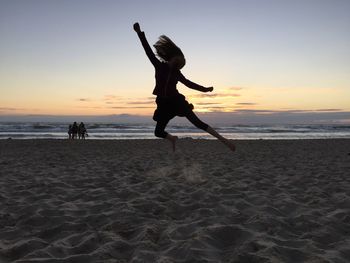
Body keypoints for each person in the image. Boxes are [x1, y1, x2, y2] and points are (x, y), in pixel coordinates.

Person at [133, 22, 235, 151]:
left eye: (179, 63)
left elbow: (188, 83)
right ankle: (172, 138)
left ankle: (224, 140)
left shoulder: (177, 73)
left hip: (176, 101)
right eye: (176, 61)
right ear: (172, 57)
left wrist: (205, 89)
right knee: (158, 132)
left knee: (198, 123)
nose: (177, 64)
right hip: (163, 104)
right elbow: (148, 51)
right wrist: (139, 33)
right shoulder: (159, 66)